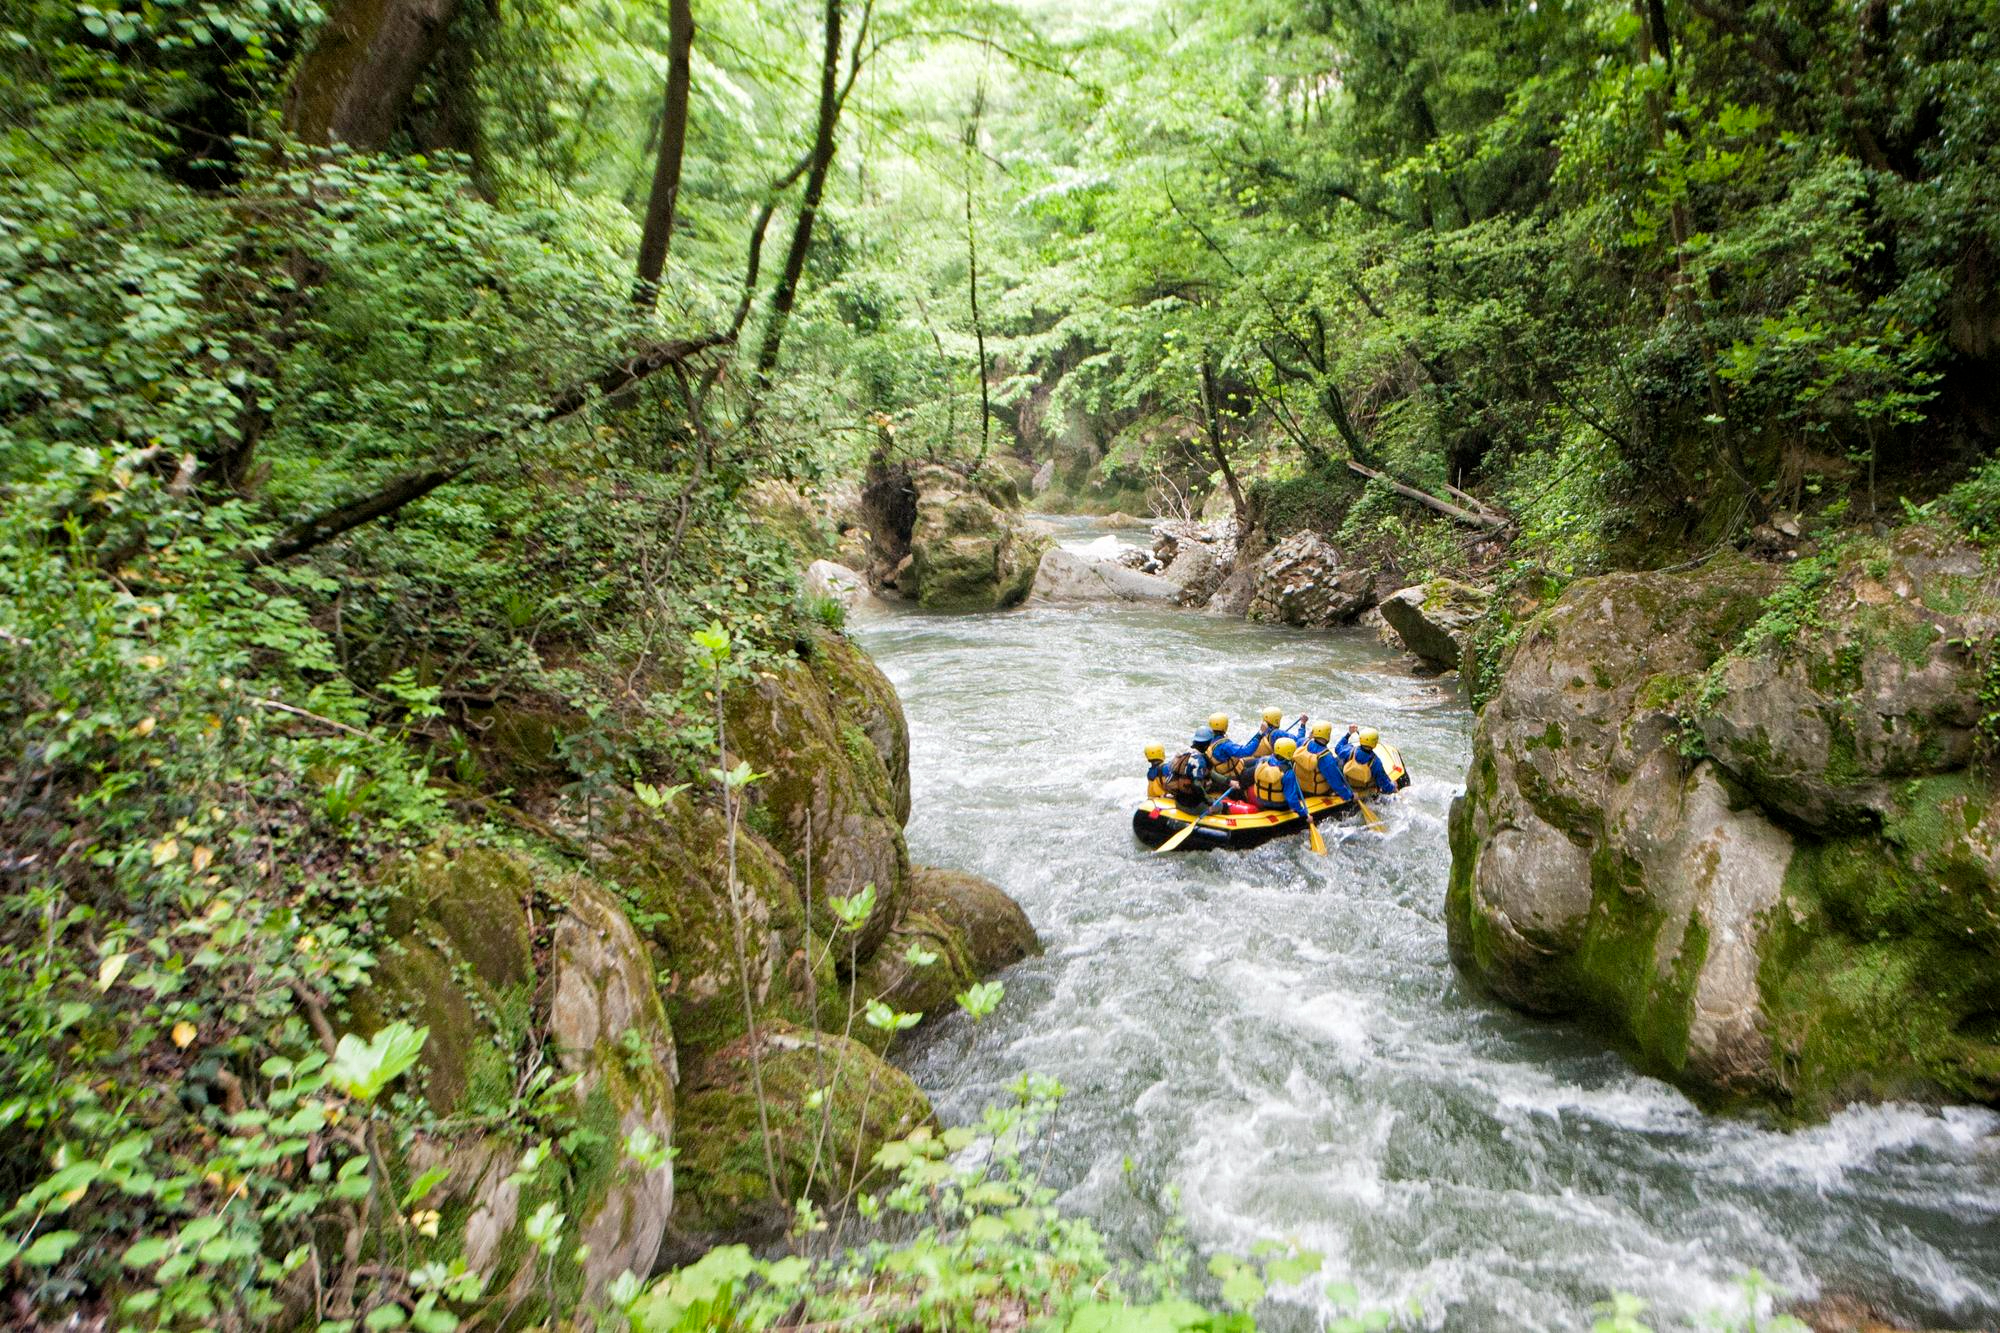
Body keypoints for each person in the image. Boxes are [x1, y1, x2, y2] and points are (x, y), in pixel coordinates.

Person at [1232, 736, 1308, 818]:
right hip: (1279, 806)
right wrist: (1303, 813)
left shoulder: (1264, 762)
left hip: (1261, 801)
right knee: (1296, 792)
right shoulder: (1288, 773)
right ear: (1290, 753)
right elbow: (1291, 799)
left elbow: (1247, 775)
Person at [1294, 721, 1359, 808]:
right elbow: (1335, 783)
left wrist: (1303, 726)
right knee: (1339, 761)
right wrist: (1350, 796)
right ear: (1327, 735)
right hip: (1317, 792)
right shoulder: (1326, 757)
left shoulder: (1302, 743)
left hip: (1300, 788)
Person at [1335, 725, 1395, 796]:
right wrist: (1393, 787)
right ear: (1375, 743)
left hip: (1348, 785)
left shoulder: (1349, 750)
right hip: (1365, 789)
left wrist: (1349, 734)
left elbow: (1337, 748)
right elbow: (1385, 785)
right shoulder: (1376, 762)